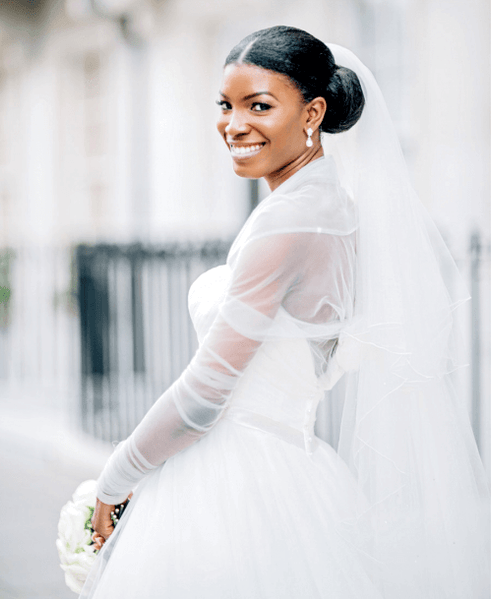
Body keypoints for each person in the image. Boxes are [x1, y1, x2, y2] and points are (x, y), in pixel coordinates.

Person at [82, 26, 489, 599]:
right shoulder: (332, 207)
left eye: (260, 106)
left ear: (312, 113)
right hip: (295, 467)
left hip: (238, 482)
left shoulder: (291, 221)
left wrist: (117, 474)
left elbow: (206, 392)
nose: (234, 125)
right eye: (226, 105)